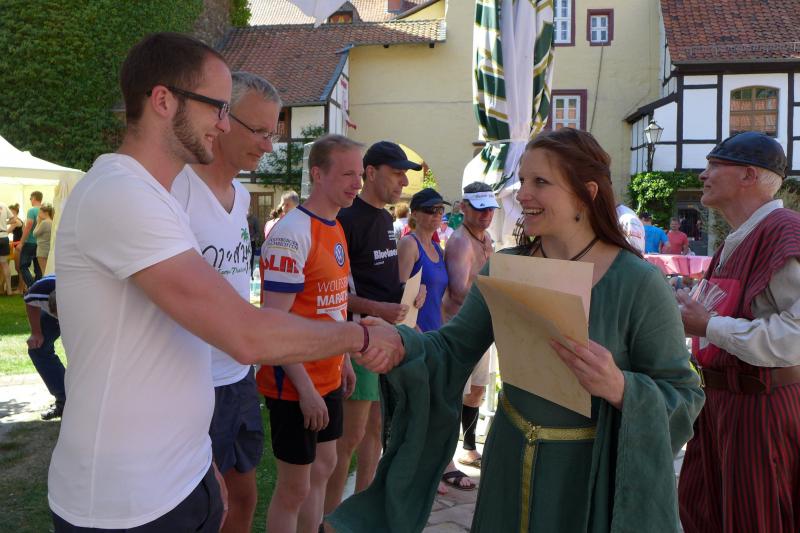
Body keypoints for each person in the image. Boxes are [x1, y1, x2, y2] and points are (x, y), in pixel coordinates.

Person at [49, 33, 397, 533]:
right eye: (216, 106)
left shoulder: (157, 195)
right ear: (163, 100)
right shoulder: (122, 194)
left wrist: (197, 460)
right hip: (125, 502)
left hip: (178, 475)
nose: (223, 122)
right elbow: (245, 333)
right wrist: (359, 336)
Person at [328, 128, 704, 532]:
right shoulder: (506, 268)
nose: (522, 194)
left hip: (584, 481)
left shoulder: (638, 283)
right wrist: (401, 343)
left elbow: (684, 395)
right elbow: (452, 349)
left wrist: (621, 387)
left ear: (587, 192)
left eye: (540, 182)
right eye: (522, 180)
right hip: (507, 466)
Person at [170, 71, 281, 533]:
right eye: (258, 131)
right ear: (222, 119)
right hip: (194, 382)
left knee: (244, 495)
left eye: (272, 133)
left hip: (239, 374)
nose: (268, 145)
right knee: (205, 509)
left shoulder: (241, 198)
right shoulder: (178, 191)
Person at [676, 131, 800, 533]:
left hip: (760, 410)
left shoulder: (784, 231)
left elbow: (795, 336)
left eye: (715, 165)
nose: (703, 174)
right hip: (722, 407)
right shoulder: (740, 237)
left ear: (749, 175)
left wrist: (709, 325)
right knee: (707, 512)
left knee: (755, 518)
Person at [259, 134, 363, 533]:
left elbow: (333, 303)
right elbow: (273, 325)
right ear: (317, 174)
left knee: (326, 465)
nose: (357, 183)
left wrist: (345, 360)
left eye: (359, 173)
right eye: (348, 174)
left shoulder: (335, 225)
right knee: (294, 488)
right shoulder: (292, 233)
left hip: (329, 374)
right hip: (294, 383)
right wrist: (305, 390)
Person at [325, 141, 425, 515]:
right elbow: (333, 293)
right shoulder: (346, 219)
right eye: (397, 173)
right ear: (371, 172)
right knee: (348, 438)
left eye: (405, 175)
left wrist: (410, 293)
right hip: (359, 339)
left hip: (386, 338)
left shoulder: (384, 219)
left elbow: (380, 280)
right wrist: (378, 308)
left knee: (377, 429)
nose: (403, 182)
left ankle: (361, 512)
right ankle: (330, 518)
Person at [398, 188, 469, 493]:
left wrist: (443, 332)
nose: (437, 215)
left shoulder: (438, 250)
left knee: (438, 405)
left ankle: (437, 465)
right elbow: (397, 293)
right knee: (419, 409)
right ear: (414, 213)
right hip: (414, 337)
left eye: (440, 209)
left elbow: (439, 298)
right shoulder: (409, 244)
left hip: (435, 336)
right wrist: (413, 329)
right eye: (430, 210)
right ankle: (416, 471)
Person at [442, 182, 498, 475]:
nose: (486, 214)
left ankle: (468, 448)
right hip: (459, 329)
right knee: (454, 395)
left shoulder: (485, 238)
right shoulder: (461, 241)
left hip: (480, 326)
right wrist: (494, 289)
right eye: (479, 209)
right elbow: (458, 291)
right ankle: (446, 460)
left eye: (490, 209)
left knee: (476, 391)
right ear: (464, 208)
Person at [24, 274, 65, 419]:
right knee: (37, 348)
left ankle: (89, 400)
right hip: (54, 308)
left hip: (83, 316)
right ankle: (64, 400)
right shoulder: (40, 290)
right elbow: (30, 301)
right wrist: (36, 332)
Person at [15, 190, 43, 288]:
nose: (30, 200)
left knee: (23, 266)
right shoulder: (46, 210)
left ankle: (33, 287)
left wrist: (21, 242)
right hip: (41, 243)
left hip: (30, 242)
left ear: (34, 198)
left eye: (30, 198)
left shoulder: (32, 211)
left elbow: (28, 227)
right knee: (38, 269)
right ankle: (39, 289)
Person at [7, 204, 24, 292]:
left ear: (13, 212)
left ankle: (20, 289)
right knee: (19, 268)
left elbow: (6, 231)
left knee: (18, 268)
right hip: (18, 245)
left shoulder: (16, 221)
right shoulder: (17, 220)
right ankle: (22, 287)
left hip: (19, 246)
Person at [34, 203, 54, 274]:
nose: (39, 215)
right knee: (49, 271)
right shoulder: (52, 222)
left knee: (44, 271)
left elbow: (35, 233)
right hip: (49, 249)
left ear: (45, 213)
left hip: (42, 250)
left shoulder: (44, 223)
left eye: (40, 213)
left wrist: (38, 222)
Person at [0, 201, 12, 295]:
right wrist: (5, 223)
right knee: (4, 264)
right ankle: (9, 290)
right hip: (4, 236)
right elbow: (14, 219)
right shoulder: (3, 204)